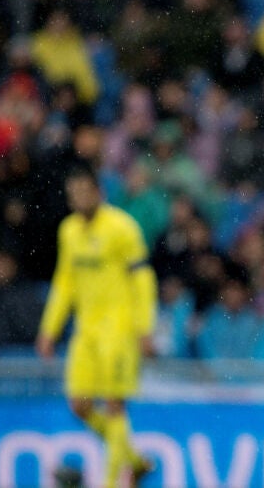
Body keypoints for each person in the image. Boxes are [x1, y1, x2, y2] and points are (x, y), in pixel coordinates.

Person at [36, 166, 158, 487]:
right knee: (80, 406)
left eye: (84, 192)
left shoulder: (122, 228)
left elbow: (142, 278)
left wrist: (145, 327)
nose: (79, 199)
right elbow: (65, 282)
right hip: (86, 331)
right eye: (73, 194)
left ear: (98, 193)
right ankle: (135, 461)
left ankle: (111, 482)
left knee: (114, 406)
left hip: (119, 329)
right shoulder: (69, 231)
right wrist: (49, 329)